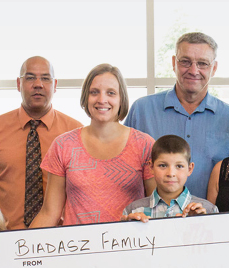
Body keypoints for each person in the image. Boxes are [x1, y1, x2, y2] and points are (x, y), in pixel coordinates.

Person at [30, 64, 155, 227]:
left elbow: (157, 208)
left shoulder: (144, 145)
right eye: (94, 92)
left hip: (129, 247)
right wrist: (21, 249)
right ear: (85, 98)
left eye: (111, 93)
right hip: (78, 248)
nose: (102, 100)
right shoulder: (63, 146)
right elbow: (49, 213)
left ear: (121, 99)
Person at [125, 32, 229, 198]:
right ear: (174, 63)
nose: (194, 70)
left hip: (212, 219)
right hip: (150, 220)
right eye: (185, 62)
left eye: (203, 63)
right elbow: (123, 170)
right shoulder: (141, 110)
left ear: (214, 68)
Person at [0, 56, 82, 229]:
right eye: (30, 77)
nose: (38, 84)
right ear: (18, 84)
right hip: (7, 237)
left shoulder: (75, 132)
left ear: (55, 85)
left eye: (46, 78)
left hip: (62, 238)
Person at [122, 135, 218, 222]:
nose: (171, 173)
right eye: (163, 165)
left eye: (179, 166)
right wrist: (129, 227)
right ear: (151, 167)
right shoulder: (133, 210)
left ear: (189, 169)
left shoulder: (208, 210)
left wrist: (203, 224)